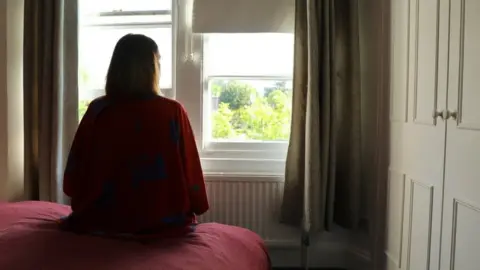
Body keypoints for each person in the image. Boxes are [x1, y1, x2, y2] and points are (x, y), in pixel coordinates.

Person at [60, 34, 209, 238]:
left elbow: (74, 175)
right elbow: (190, 167)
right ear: (152, 67)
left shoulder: (98, 110)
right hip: (162, 220)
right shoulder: (172, 112)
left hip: (102, 220)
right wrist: (197, 203)